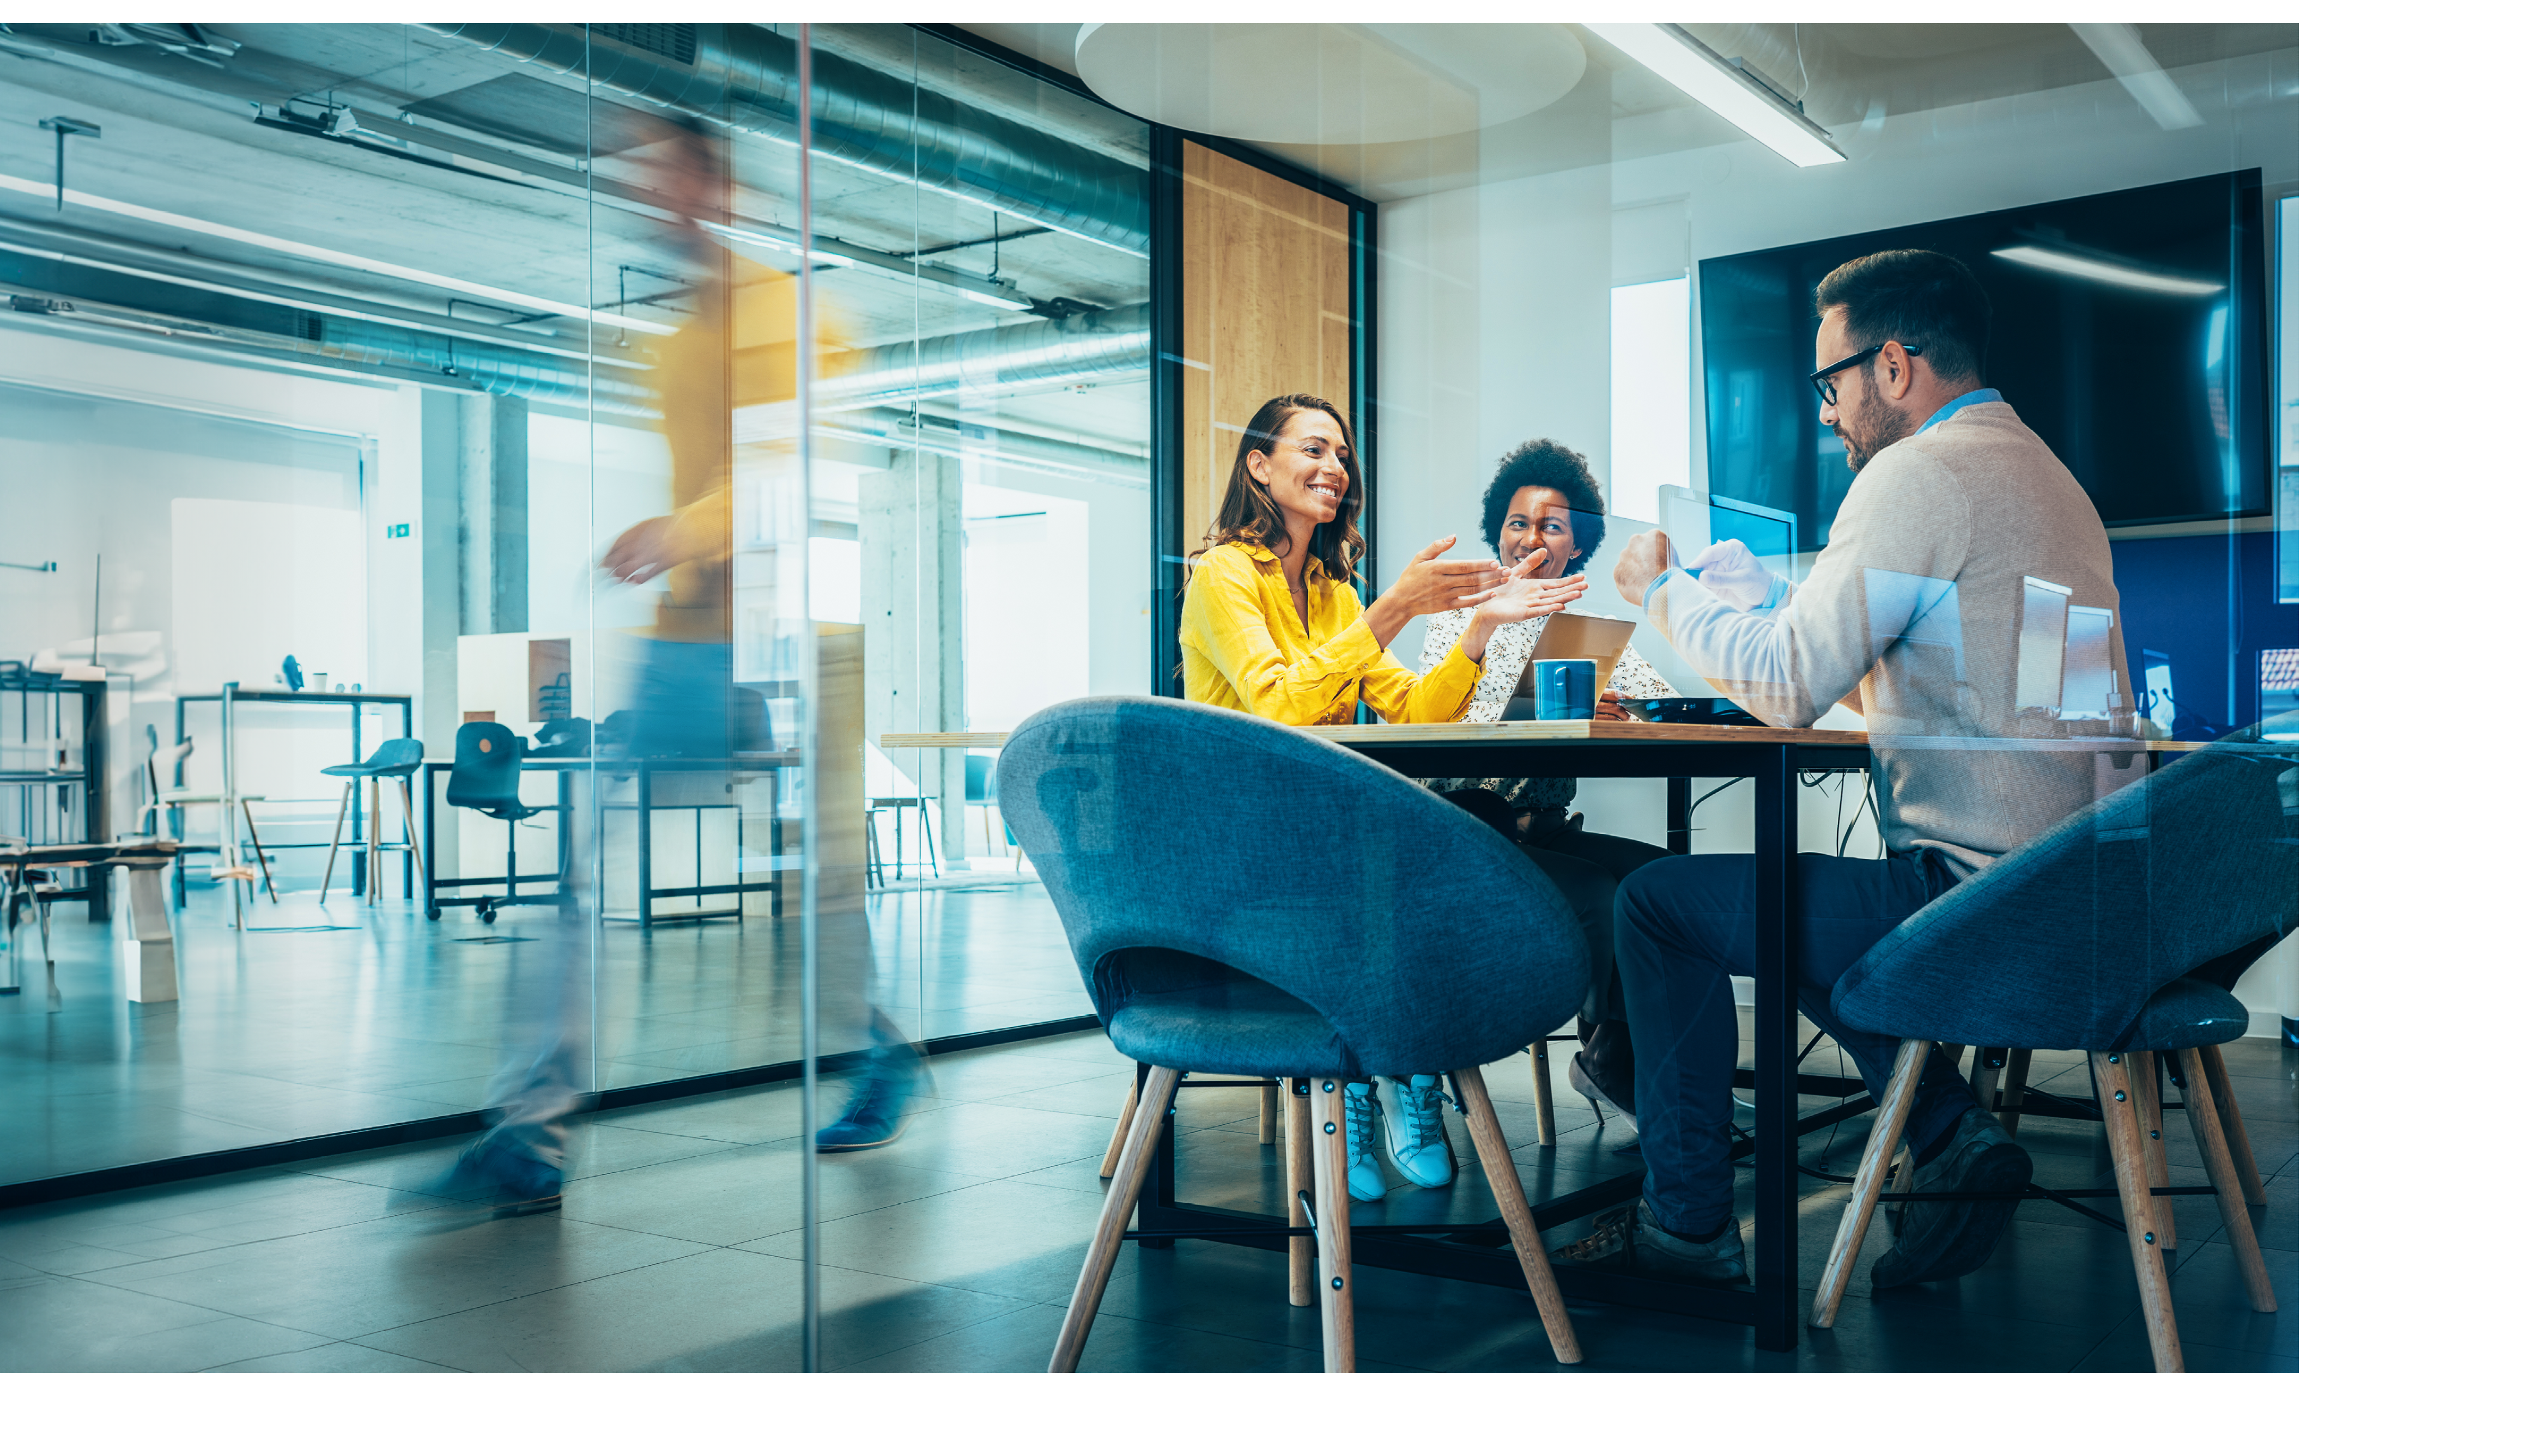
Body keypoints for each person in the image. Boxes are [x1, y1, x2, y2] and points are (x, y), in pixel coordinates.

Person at [1573, 248, 2131, 1289]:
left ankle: (1685, 1231)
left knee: (1659, 903)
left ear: (1891, 366)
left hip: (1978, 903)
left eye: (1828, 382)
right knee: (1797, 903)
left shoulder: (1915, 473)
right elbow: (2016, 685)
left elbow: (1784, 685)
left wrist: (1664, 592)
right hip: (2079, 891)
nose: (1825, 411)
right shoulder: (2050, 479)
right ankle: (1949, 1131)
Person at [436, 119, 913, 1216]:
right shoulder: (672, 342)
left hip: (797, 638)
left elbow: (784, 474)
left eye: (666, 171)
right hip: (691, 640)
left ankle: (877, 1047)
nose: (651, 195)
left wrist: (678, 531)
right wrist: (672, 545)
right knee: (585, 857)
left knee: (822, 878)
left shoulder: (792, 315)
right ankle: (529, 1126)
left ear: (713, 181)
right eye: (636, 177)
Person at [1181, 393, 1583, 1202]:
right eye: (1313, 451)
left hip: (1325, 825)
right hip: (1248, 838)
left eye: (1341, 456)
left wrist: (1475, 630)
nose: (1335, 469)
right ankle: (1383, 1071)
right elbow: (1276, 706)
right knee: (1417, 854)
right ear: (1258, 466)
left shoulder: (1332, 590)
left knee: (1462, 829)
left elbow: (1414, 709)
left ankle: (1392, 1069)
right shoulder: (1222, 573)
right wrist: (1395, 606)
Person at [1413, 439, 1677, 1129]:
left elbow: (1657, 704)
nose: (1531, 538)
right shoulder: (1459, 616)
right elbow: (1456, 726)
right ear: (1497, 534)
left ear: (1577, 546)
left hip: (1547, 833)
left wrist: (1623, 708)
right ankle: (1608, 1062)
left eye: (1551, 525)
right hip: (1463, 832)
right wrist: (1555, 705)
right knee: (1604, 895)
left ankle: (1630, 1063)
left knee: (1668, 882)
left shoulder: (1583, 628)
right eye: (1517, 523)